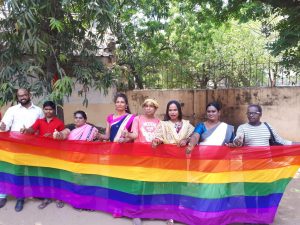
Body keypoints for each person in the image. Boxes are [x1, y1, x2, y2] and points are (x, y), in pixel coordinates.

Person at [0, 88, 44, 212]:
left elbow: (40, 128)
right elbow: (5, 126)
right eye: (20, 96)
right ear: (17, 97)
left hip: (32, 147)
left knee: (32, 171)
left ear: (29, 95)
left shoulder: (39, 111)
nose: (22, 97)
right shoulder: (12, 110)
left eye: (25, 94)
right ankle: (20, 197)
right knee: (17, 172)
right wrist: (2, 126)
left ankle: (36, 192)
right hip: (16, 147)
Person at [20, 101, 65, 209]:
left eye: (50, 109)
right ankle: (47, 198)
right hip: (43, 154)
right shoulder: (39, 121)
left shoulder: (59, 122)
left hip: (55, 153)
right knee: (45, 176)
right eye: (46, 109)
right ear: (43, 110)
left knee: (56, 176)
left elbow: (63, 136)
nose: (48, 111)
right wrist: (26, 130)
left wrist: (55, 135)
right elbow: (32, 129)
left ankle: (59, 198)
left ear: (54, 110)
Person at [231, 104, 297, 147]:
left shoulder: (268, 127)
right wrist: (237, 141)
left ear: (260, 114)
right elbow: (238, 138)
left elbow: (281, 141)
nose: (251, 115)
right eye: (249, 113)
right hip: (249, 164)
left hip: (266, 165)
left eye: (254, 113)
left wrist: (297, 144)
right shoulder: (242, 127)